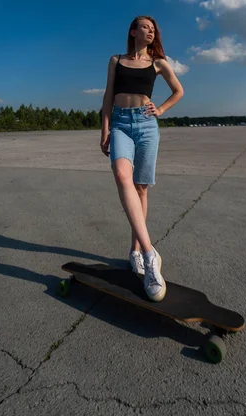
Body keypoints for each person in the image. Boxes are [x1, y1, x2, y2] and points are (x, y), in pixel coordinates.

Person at [100, 16, 184, 302]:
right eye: (146, 27)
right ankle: (150, 256)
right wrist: (105, 129)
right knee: (122, 176)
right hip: (121, 124)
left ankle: (135, 250)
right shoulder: (116, 60)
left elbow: (178, 91)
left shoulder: (158, 63)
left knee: (141, 188)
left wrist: (160, 110)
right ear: (133, 31)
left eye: (153, 29)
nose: (151, 32)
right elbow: (108, 96)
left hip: (147, 125)